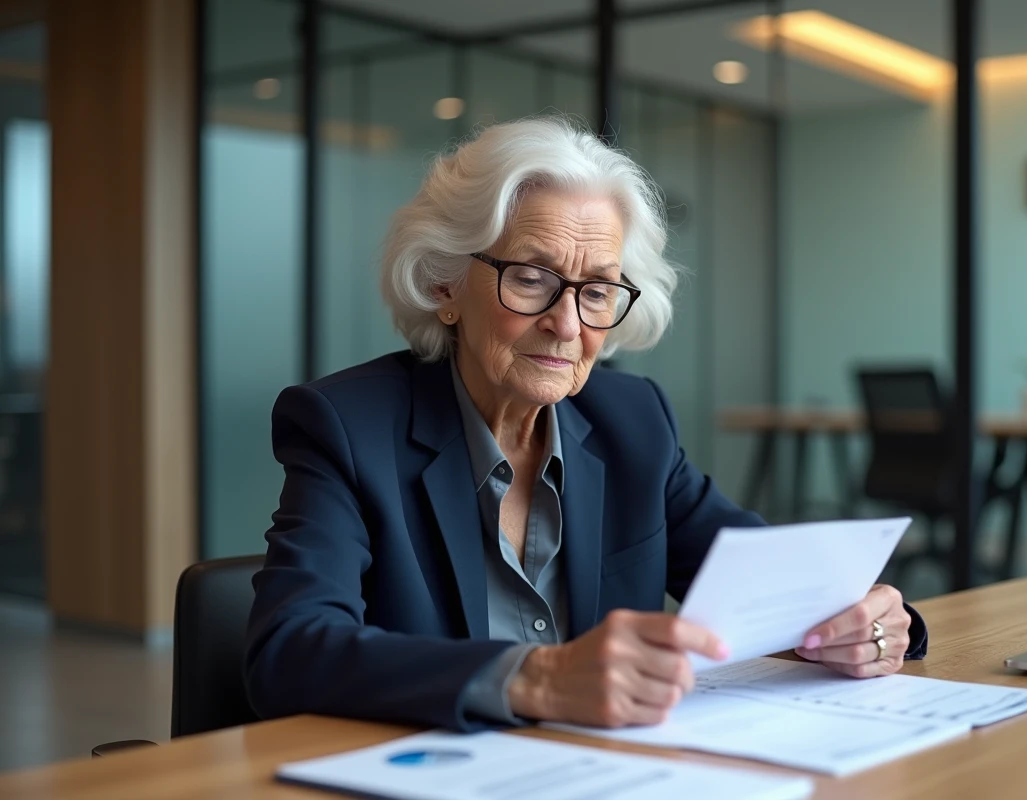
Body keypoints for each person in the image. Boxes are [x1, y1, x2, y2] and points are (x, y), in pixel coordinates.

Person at [244, 116, 927, 732]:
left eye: (597, 290)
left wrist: (869, 621)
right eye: (532, 279)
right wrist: (536, 678)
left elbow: (772, 581)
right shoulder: (347, 426)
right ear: (446, 283)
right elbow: (288, 651)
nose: (567, 324)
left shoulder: (633, 422)